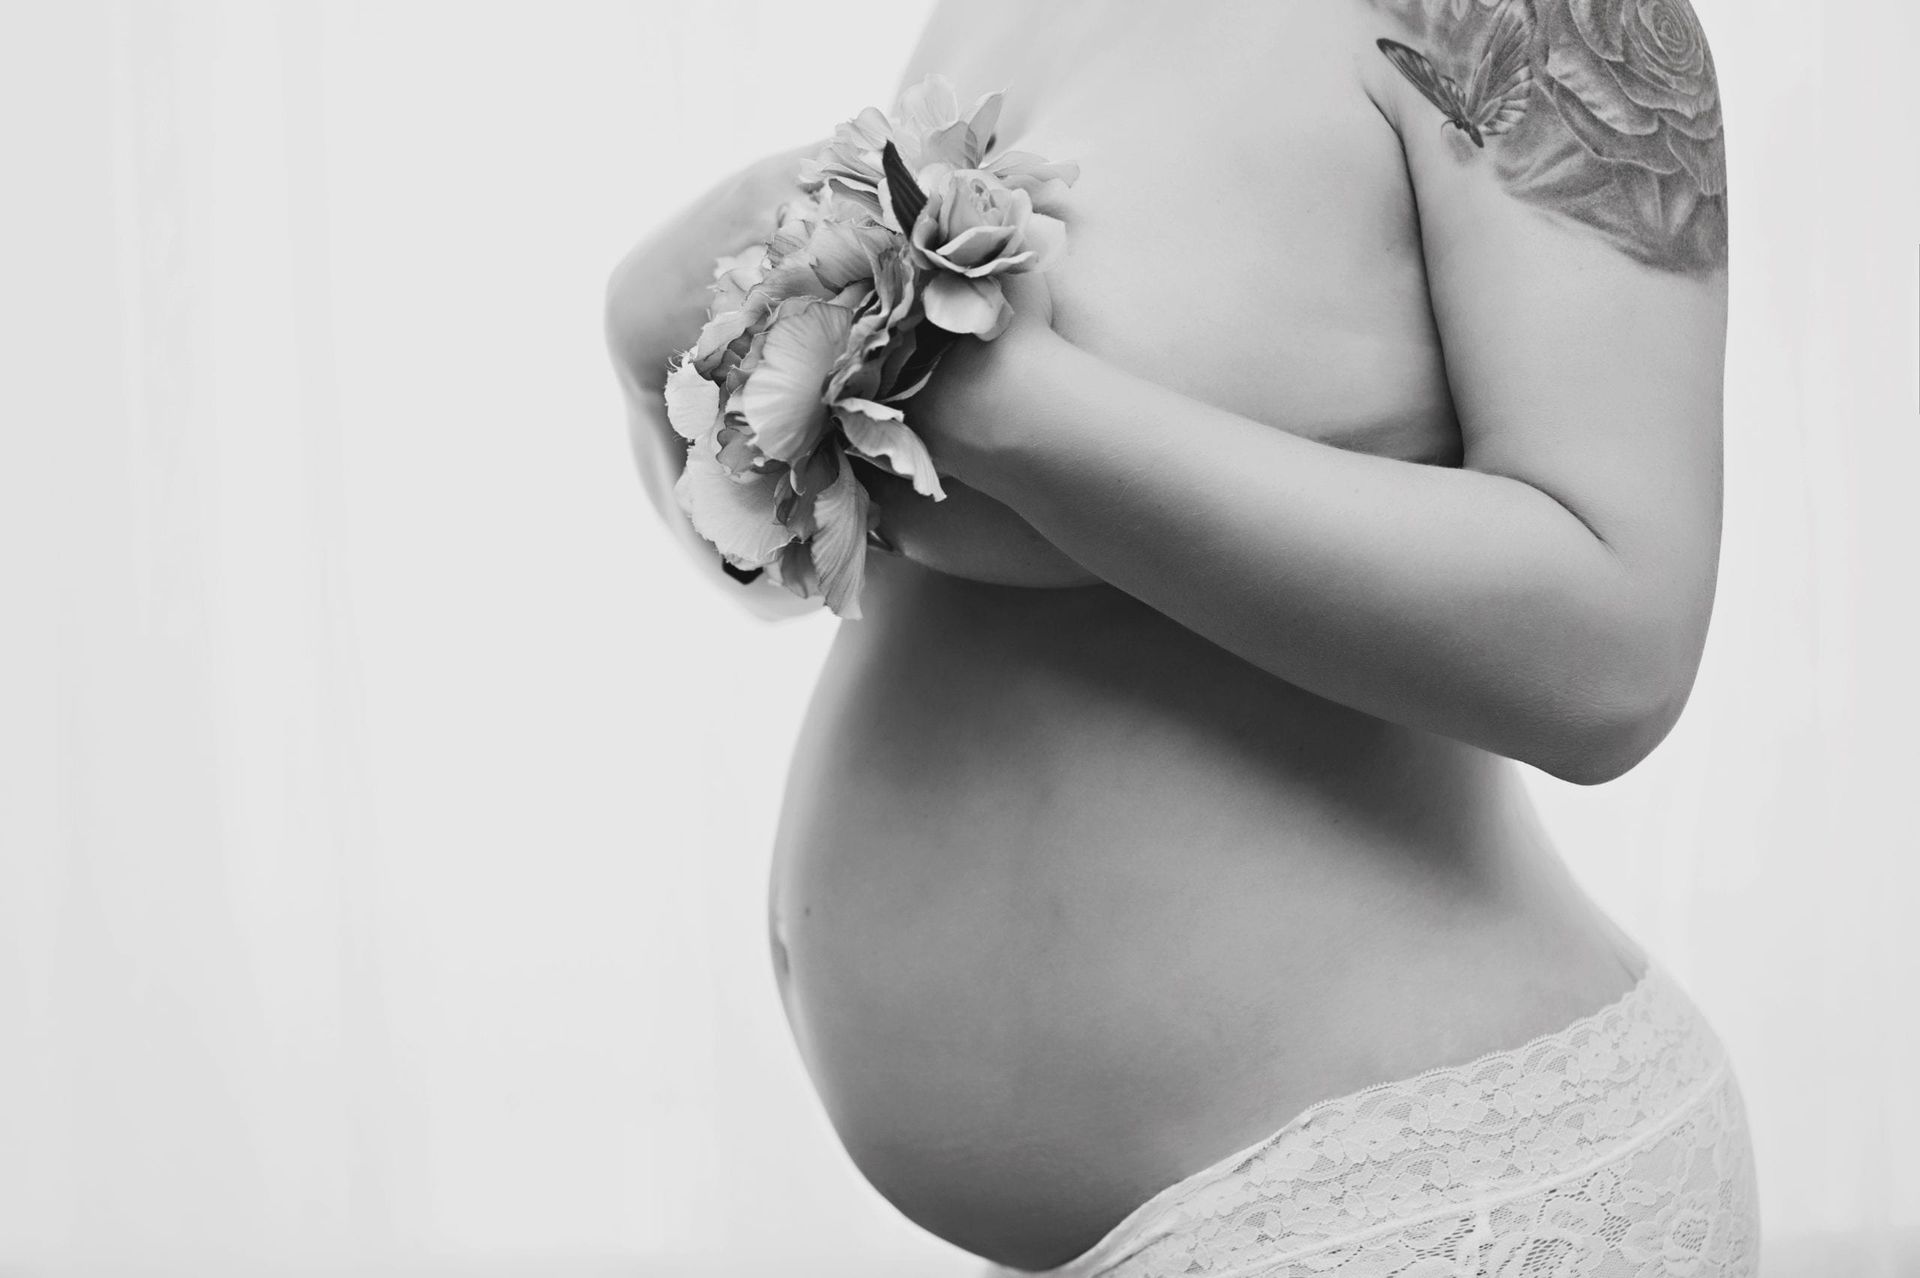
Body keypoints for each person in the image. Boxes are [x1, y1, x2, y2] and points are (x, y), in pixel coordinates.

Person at [605, 1, 1761, 1273]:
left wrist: (1030, 415)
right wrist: (656, 362)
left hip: (1412, 1199)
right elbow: (822, 559)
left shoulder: (1527, 19)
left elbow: (1617, 657)